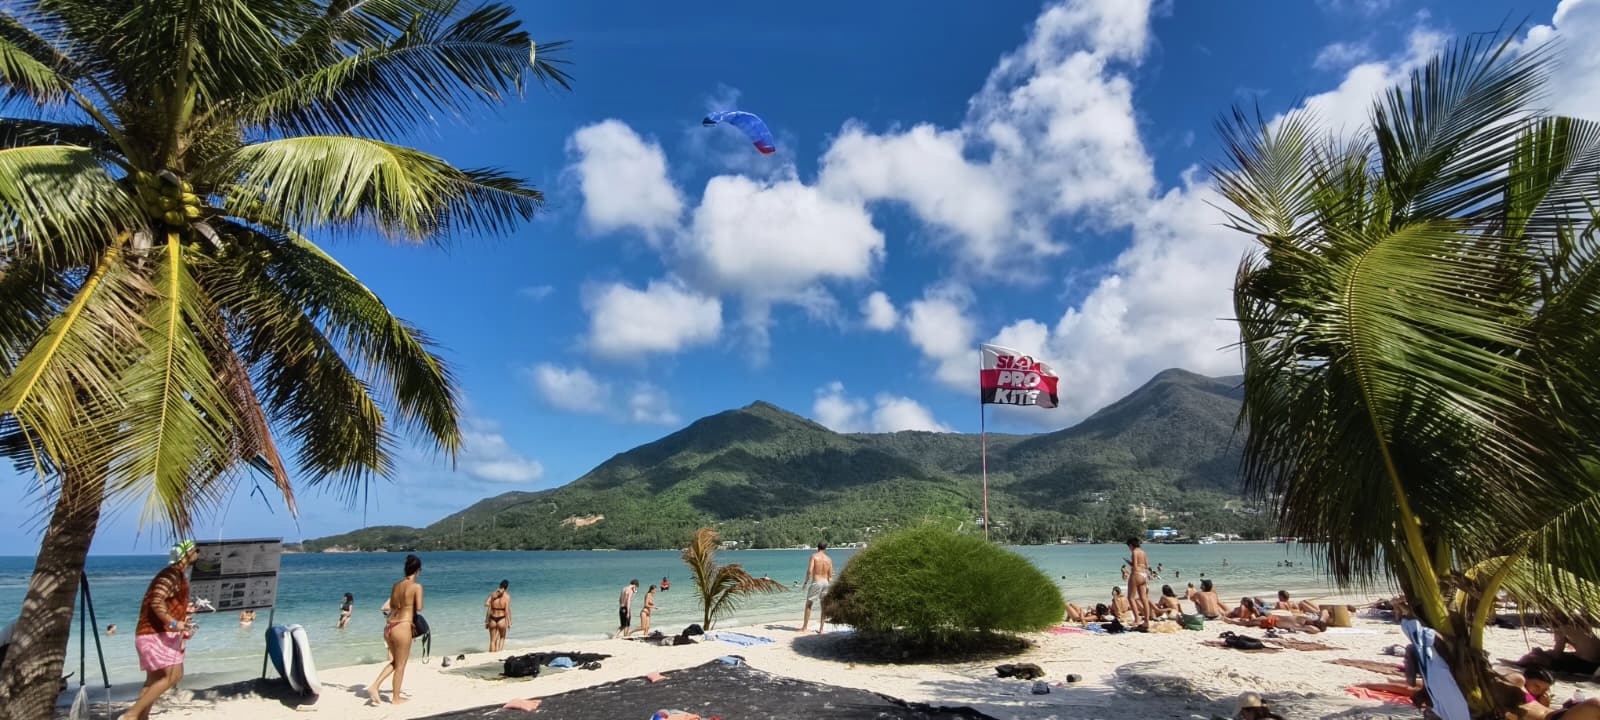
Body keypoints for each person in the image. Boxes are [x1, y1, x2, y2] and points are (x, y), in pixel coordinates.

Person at [118, 539, 200, 720]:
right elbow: (156, 601)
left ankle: (141, 717)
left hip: (149, 634)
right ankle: (130, 715)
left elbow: (164, 602)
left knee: (154, 681)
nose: (198, 554)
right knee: (174, 675)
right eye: (196, 550)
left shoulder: (175, 574)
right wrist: (173, 623)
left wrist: (184, 610)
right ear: (187, 553)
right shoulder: (171, 575)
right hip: (157, 634)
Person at [368, 554, 423, 706]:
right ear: (418, 571)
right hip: (402, 626)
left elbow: (392, 605)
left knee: (395, 661)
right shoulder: (416, 587)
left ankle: (375, 687)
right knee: (401, 665)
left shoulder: (396, 586)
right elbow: (418, 607)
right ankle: (395, 698)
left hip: (389, 626)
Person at [801, 542, 833, 634]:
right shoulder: (829, 559)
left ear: (817, 548)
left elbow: (809, 571)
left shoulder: (814, 556)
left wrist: (805, 582)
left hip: (817, 582)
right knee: (824, 606)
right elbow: (830, 575)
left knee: (809, 604)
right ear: (825, 548)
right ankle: (821, 629)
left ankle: (804, 627)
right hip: (826, 583)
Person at [1125, 537, 1153, 627]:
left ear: (1131, 545)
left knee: (1131, 598)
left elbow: (1135, 566)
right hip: (1144, 575)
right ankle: (1147, 621)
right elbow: (1147, 565)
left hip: (1136, 574)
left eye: (1129, 546)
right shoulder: (1143, 552)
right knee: (1144, 598)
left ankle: (1137, 619)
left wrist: (1129, 562)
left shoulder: (1134, 552)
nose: (1129, 548)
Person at [485, 580, 511, 653]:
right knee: (502, 637)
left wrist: (494, 599)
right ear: (507, 587)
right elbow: (507, 610)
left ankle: (492, 655)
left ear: (499, 585)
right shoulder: (507, 596)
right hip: (501, 619)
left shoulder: (493, 594)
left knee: (492, 640)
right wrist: (509, 622)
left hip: (492, 618)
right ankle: (499, 653)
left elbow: (486, 604)